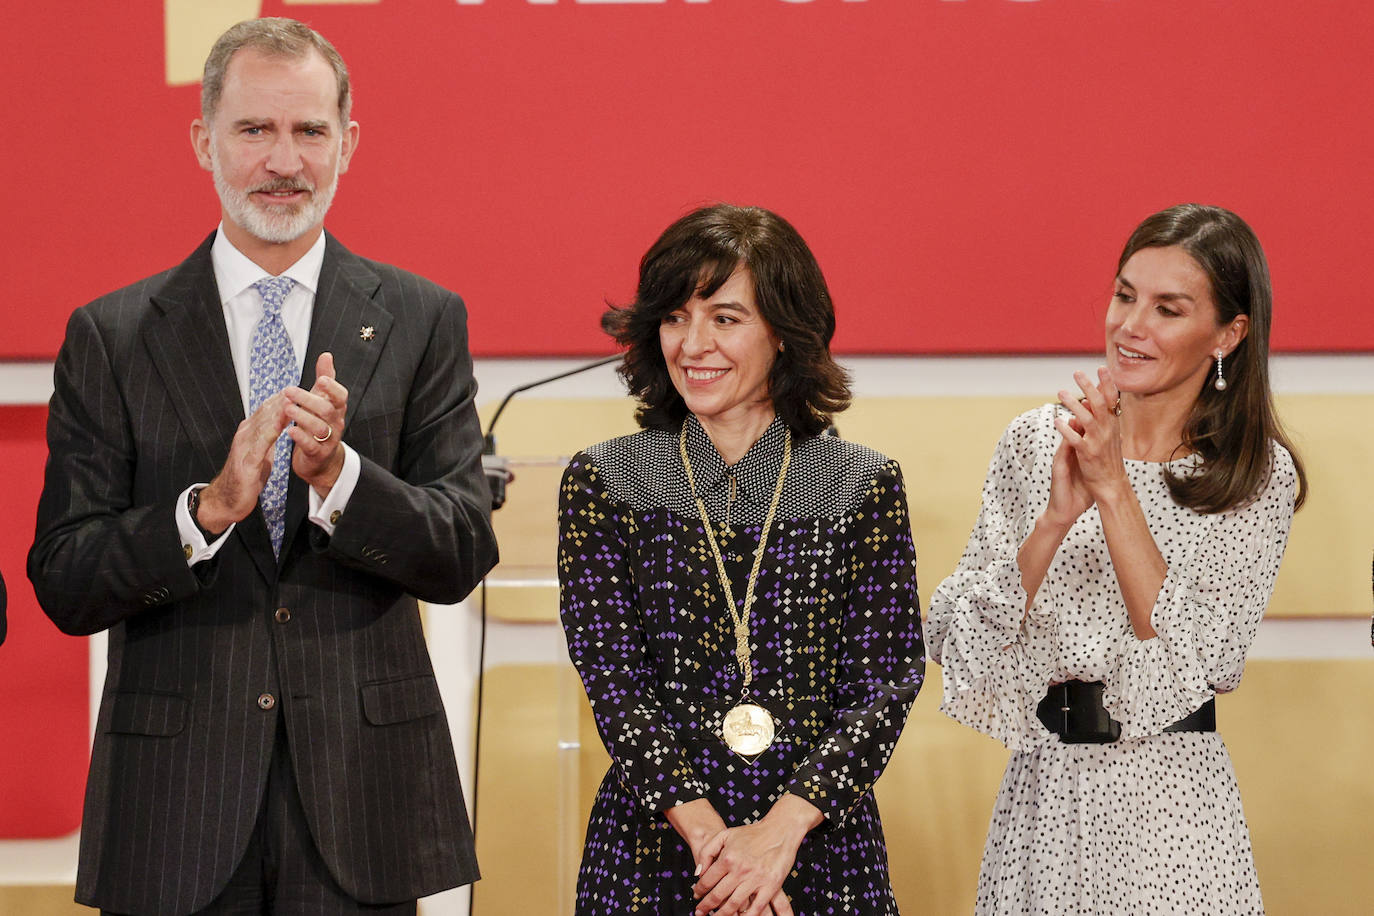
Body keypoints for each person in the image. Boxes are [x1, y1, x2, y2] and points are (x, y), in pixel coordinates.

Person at [28, 18, 497, 915]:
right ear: (205, 140)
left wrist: (342, 481)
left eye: (309, 131)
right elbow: (64, 579)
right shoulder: (114, 335)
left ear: (347, 145)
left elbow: (462, 548)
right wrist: (206, 511)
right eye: (254, 130)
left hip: (363, 803)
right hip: (174, 806)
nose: (284, 160)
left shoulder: (422, 317)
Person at [927, 203, 1306, 915]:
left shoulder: (1257, 476)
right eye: (1124, 294)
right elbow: (956, 639)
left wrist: (1113, 490)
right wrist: (1053, 520)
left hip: (1171, 811)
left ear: (1228, 333)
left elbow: (1201, 662)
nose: (1131, 326)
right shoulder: (1036, 440)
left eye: (1168, 308)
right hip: (1040, 798)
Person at [558, 203, 924, 916]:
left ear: (785, 334)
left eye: (724, 318)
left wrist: (781, 833)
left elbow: (885, 682)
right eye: (673, 316)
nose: (692, 344)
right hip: (655, 845)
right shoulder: (607, 479)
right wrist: (719, 849)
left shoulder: (860, 483)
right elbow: (613, 679)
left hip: (819, 845)